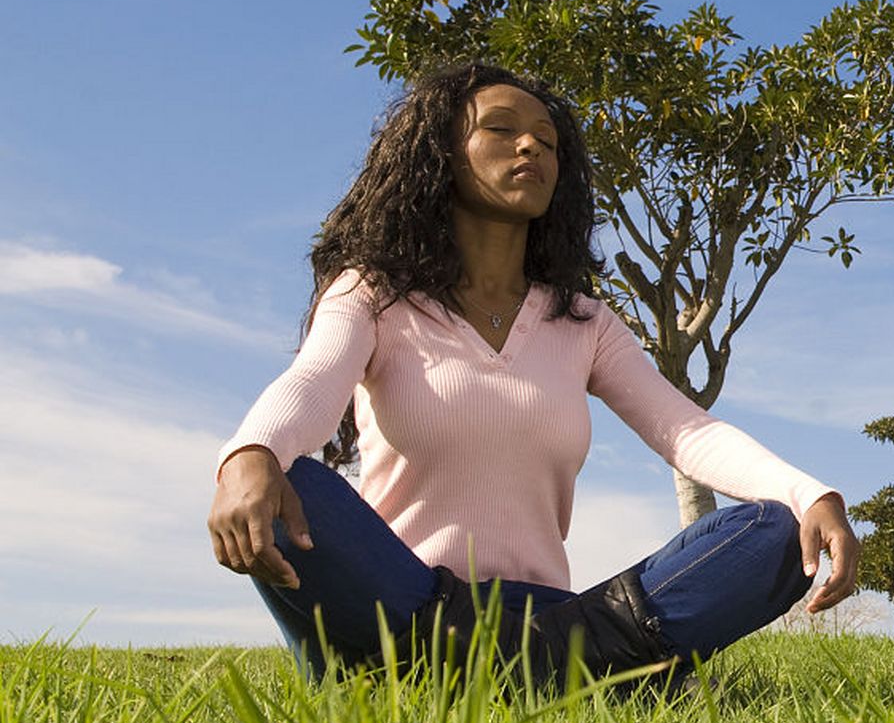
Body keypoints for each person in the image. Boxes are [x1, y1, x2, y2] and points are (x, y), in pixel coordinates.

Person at [207, 61, 859, 690]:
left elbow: (685, 430)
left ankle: (477, 681)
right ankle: (583, 681)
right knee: (288, 480)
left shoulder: (582, 323)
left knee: (771, 532)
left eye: (547, 140)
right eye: (499, 129)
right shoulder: (375, 295)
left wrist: (810, 495)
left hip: (558, 618)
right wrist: (252, 451)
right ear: (440, 153)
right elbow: (314, 380)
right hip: (405, 606)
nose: (530, 146)